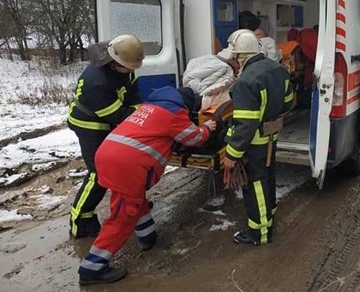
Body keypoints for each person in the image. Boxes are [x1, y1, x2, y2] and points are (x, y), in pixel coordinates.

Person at [77, 86, 217, 285]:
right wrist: (207, 127)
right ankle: (92, 268)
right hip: (126, 165)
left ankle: (147, 236)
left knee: (133, 198)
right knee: (124, 216)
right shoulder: (174, 113)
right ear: (185, 105)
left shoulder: (147, 107)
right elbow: (195, 138)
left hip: (107, 155)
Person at [67, 34, 144, 238]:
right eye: (128, 67)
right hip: (88, 124)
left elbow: (133, 95)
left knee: (119, 164)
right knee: (99, 173)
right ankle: (80, 219)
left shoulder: (125, 67)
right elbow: (118, 115)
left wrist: (139, 110)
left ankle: (129, 203)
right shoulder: (97, 82)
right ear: (115, 63)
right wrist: (143, 118)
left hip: (106, 119)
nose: (132, 70)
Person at [223, 29, 294, 245]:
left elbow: (245, 125)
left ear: (239, 56)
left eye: (234, 57)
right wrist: (272, 116)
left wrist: (232, 155)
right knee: (268, 176)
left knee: (255, 184)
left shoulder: (246, 82)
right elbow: (289, 101)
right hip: (270, 138)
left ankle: (260, 231)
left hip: (253, 143)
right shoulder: (278, 70)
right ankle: (269, 214)